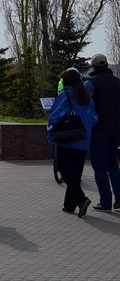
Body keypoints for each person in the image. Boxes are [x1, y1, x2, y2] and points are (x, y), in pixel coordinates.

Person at [48, 67, 98, 217]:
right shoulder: (86, 96)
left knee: (66, 172)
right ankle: (69, 206)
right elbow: (94, 118)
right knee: (75, 173)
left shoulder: (65, 95)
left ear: (66, 81)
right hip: (82, 140)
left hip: (67, 140)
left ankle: (82, 200)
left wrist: (51, 135)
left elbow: (54, 116)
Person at [84, 54, 120, 212]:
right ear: (106, 65)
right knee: (113, 164)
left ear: (93, 67)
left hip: (98, 130)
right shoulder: (118, 83)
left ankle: (105, 202)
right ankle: (119, 199)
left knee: (99, 166)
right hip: (116, 130)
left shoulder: (90, 84)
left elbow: (84, 105)